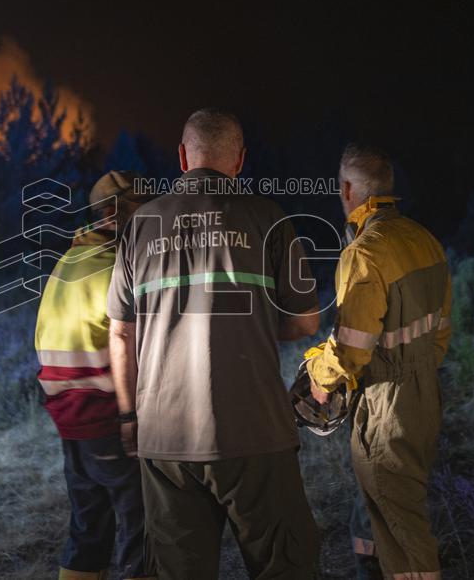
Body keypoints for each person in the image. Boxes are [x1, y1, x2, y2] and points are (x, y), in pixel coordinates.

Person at [106, 108, 321, 579]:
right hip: (256, 432)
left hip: (166, 439)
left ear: (182, 157)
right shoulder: (269, 218)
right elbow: (306, 322)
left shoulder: (139, 228)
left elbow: (121, 331)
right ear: (240, 161)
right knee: (284, 566)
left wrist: (128, 417)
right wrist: (261, 327)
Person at [306, 143, 452, 580]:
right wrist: (417, 371)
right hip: (424, 394)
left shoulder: (365, 252)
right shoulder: (425, 240)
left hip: (385, 404)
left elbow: (351, 346)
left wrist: (320, 376)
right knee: (382, 510)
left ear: (348, 189)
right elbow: (442, 330)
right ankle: (369, 570)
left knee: (403, 531)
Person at [35, 170, 155, 580]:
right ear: (110, 213)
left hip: (71, 419)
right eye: (143, 210)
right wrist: (129, 417)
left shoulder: (68, 262)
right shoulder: (116, 268)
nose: (152, 219)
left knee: (89, 530)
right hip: (107, 417)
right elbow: (130, 342)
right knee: (143, 530)